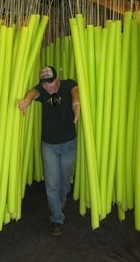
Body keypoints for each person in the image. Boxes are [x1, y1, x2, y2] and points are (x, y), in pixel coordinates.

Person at [18, 66, 80, 236]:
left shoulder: (68, 84)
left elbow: (75, 91)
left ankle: (58, 206)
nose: (47, 87)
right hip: (49, 146)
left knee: (64, 181)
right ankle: (57, 219)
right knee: (52, 184)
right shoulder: (42, 90)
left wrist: (76, 103)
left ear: (57, 79)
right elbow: (33, 92)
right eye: (44, 84)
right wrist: (26, 100)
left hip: (68, 144)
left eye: (50, 83)